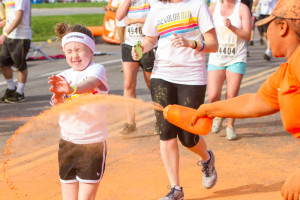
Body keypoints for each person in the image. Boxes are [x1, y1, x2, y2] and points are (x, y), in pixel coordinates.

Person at [192, 0, 300, 199]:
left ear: (283, 27)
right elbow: (255, 102)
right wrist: (209, 109)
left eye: (269, 27)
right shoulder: (287, 70)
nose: (267, 33)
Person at [132, 0, 219, 198]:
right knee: (166, 131)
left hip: (192, 75)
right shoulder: (157, 6)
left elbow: (213, 45)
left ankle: (207, 159)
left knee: (188, 137)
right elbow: (150, 39)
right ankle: (176, 189)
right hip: (162, 74)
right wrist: (140, 47)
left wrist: (191, 44)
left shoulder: (197, 5)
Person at [48, 22, 110, 200]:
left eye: (80, 50)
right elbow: (57, 105)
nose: (74, 55)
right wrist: (58, 97)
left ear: (91, 50)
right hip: (67, 143)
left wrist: (71, 90)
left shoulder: (97, 70)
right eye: (69, 51)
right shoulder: (63, 76)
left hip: (93, 144)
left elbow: (89, 84)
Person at [207, 0, 251, 140]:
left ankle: (230, 126)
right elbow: (204, 30)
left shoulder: (242, 8)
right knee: (213, 95)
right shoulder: (213, 8)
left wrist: (232, 27)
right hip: (216, 57)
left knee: (231, 95)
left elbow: (248, 36)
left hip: (236, 57)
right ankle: (219, 115)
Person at [116, 0, 156, 136]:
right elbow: (119, 17)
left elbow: (156, 18)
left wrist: (134, 20)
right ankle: (130, 123)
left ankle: (160, 119)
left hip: (148, 46)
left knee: (152, 85)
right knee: (128, 84)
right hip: (129, 45)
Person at [0, 0, 31, 103]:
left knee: (20, 65)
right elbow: (9, 18)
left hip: (21, 35)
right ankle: (11, 89)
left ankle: (20, 93)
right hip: (9, 35)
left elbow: (19, 17)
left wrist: (4, 34)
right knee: (3, 62)